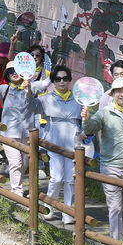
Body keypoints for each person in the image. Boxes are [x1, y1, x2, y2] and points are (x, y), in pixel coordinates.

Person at [82, 78, 123, 239]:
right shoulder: (104, 112)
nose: (122, 94)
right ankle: (117, 243)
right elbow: (91, 128)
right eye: (119, 91)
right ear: (113, 94)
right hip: (110, 166)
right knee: (115, 207)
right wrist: (87, 119)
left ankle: (122, 239)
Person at [0, 62, 43, 196]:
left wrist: (29, 89)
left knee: (25, 163)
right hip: (8, 133)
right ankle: (17, 191)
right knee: (15, 162)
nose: (14, 73)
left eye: (17, 71)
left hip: (27, 133)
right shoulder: (4, 89)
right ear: (7, 75)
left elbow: (35, 97)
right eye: (11, 71)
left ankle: (18, 184)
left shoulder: (31, 88)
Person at [31, 65, 81, 223]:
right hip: (54, 142)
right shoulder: (46, 99)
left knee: (70, 180)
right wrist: (30, 88)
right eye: (58, 79)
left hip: (73, 142)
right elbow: (29, 106)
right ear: (52, 81)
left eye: (65, 78)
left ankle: (68, 212)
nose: (62, 82)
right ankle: (48, 205)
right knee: (57, 178)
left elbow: (84, 123)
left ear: (69, 80)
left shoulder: (78, 99)